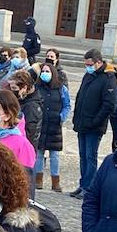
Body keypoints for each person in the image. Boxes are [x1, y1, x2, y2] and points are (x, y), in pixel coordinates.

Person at [33, 59, 68, 191]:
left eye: (47, 71)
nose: (45, 73)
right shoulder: (37, 87)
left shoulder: (61, 89)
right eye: (43, 71)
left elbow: (67, 105)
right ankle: (38, 179)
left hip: (54, 125)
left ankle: (55, 181)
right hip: (41, 124)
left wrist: (61, 117)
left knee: (54, 155)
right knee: (40, 153)